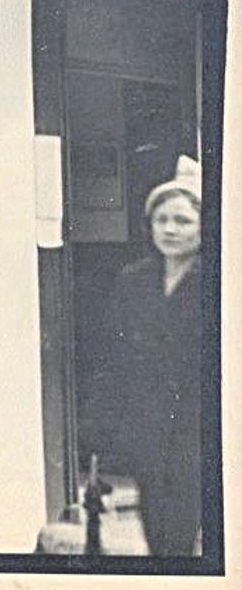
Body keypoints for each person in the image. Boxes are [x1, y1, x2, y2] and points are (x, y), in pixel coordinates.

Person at [81, 155, 204, 556]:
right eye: (162, 219)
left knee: (195, 526)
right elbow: (111, 360)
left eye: (183, 221)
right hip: (149, 426)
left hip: (199, 426)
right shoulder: (133, 281)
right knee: (158, 529)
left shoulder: (217, 281)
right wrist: (99, 425)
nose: (170, 229)